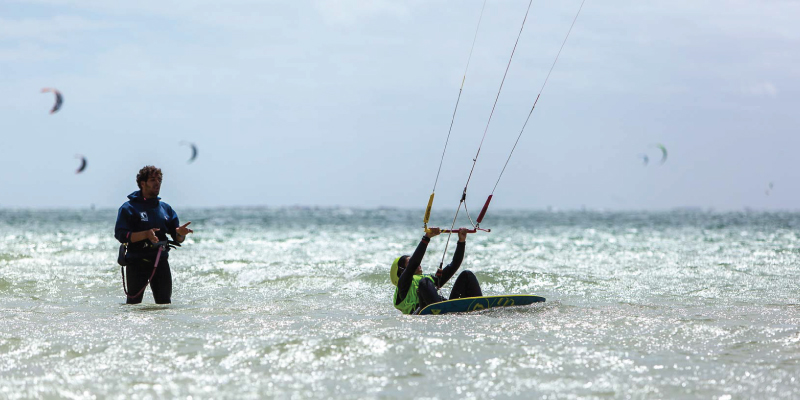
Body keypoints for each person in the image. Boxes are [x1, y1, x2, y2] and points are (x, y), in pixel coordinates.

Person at [114, 166, 193, 304]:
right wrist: (146, 234)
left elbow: (178, 238)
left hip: (160, 261)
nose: (157, 183)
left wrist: (180, 234)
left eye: (159, 180)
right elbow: (120, 235)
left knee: (164, 306)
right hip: (137, 262)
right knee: (133, 306)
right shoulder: (129, 208)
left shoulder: (165, 209)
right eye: (152, 180)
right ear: (142, 183)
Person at [390, 227, 483, 314]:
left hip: (446, 311)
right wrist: (426, 238)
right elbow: (413, 264)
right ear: (402, 271)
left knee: (467, 275)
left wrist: (461, 241)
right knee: (424, 282)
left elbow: (454, 265)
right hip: (422, 314)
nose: (418, 264)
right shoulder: (403, 287)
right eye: (409, 263)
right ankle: (440, 311)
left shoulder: (430, 281)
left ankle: (481, 307)